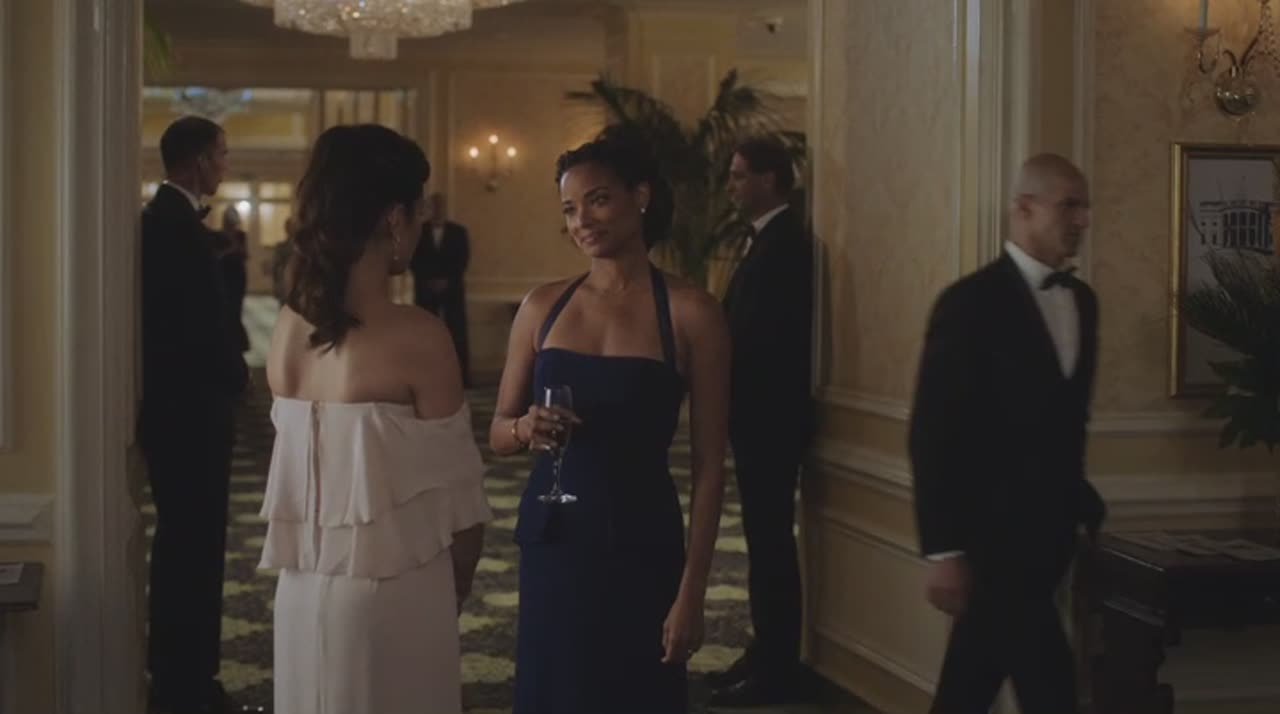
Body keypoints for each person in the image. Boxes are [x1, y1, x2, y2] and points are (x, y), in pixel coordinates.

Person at [488, 125, 730, 714]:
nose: (582, 221)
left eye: (597, 200)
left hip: (641, 542)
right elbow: (498, 431)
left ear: (639, 197)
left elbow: (709, 469)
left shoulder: (692, 313)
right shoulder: (542, 306)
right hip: (555, 540)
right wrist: (524, 429)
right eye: (569, 209)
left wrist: (692, 592)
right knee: (555, 693)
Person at [258, 124, 491, 714]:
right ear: (394, 218)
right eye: (417, 209)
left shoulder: (287, 327)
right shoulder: (419, 335)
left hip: (299, 590)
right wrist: (456, 587)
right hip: (396, 587)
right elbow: (462, 503)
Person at [908, 153, 1106, 714]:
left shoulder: (1083, 303)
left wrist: (1080, 504)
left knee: (969, 684)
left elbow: (1068, 422)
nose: (1083, 220)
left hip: (1050, 539)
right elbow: (933, 432)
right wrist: (944, 550)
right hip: (990, 544)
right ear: (1024, 209)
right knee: (1051, 688)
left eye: (1085, 207)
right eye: (1069, 205)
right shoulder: (968, 303)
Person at [139, 115, 248, 714]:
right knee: (193, 549)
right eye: (222, 155)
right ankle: (186, 682)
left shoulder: (171, 220)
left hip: (184, 410)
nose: (226, 166)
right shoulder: (173, 225)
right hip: (189, 413)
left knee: (189, 546)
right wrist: (237, 379)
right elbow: (195, 326)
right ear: (200, 160)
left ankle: (182, 675)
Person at [708, 137, 813, 707]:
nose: (730, 186)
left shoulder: (786, 245)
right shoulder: (767, 241)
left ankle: (776, 667)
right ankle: (765, 650)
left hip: (771, 421)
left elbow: (766, 340)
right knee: (762, 541)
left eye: (739, 175)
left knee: (771, 545)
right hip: (758, 419)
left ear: (771, 180)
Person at [410, 192, 472, 386]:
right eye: (434, 205)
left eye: (441, 205)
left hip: (452, 289)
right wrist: (429, 280)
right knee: (424, 332)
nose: (438, 209)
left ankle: (462, 377)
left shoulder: (458, 232)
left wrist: (447, 280)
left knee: (457, 333)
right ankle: (424, 376)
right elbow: (413, 259)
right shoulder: (419, 231)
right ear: (429, 208)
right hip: (425, 289)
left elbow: (463, 259)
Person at [217, 206, 251, 353]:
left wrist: (237, 247)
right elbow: (216, 256)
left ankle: (237, 342)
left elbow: (245, 254)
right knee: (225, 308)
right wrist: (229, 250)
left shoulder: (241, 235)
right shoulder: (219, 235)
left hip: (238, 275)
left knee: (236, 308)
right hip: (224, 274)